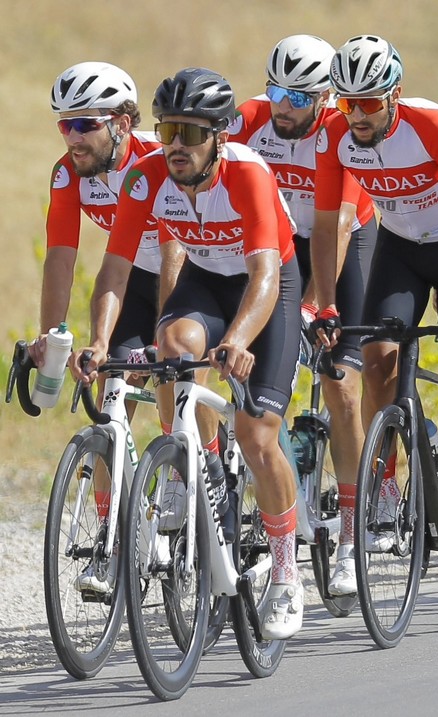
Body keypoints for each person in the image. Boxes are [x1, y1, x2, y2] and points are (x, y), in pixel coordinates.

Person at [69, 67, 305, 639]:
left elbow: (266, 276)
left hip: (266, 289)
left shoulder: (248, 174)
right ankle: (198, 462)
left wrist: (238, 341)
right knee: (171, 347)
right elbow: (115, 269)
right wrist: (99, 344)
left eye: (192, 134)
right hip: (205, 279)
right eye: (168, 129)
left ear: (219, 138)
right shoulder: (145, 178)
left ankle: (286, 570)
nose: (176, 145)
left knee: (259, 435)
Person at [310, 35, 438, 554]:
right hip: (399, 248)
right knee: (376, 364)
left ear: (394, 94)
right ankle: (389, 484)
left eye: (369, 103)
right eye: (346, 101)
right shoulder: (335, 135)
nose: (356, 114)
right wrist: (327, 304)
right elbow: (328, 228)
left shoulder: (430, 124)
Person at [228, 34, 378, 596]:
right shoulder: (249, 121)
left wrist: (318, 301)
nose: (282, 106)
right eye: (275, 91)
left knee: (340, 385)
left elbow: (334, 227)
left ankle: (351, 536)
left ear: (323, 98)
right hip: (274, 246)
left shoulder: (339, 133)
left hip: (342, 239)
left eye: (297, 95)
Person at [40, 62, 184, 595]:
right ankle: (112, 540)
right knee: (111, 393)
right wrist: (52, 335)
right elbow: (61, 255)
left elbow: (175, 252)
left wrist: (164, 334)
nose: (72, 137)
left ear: (122, 123)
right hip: (131, 279)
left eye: (85, 125)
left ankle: (193, 479)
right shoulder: (68, 174)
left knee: (174, 377)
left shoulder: (160, 162)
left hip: (192, 271)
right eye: (64, 124)